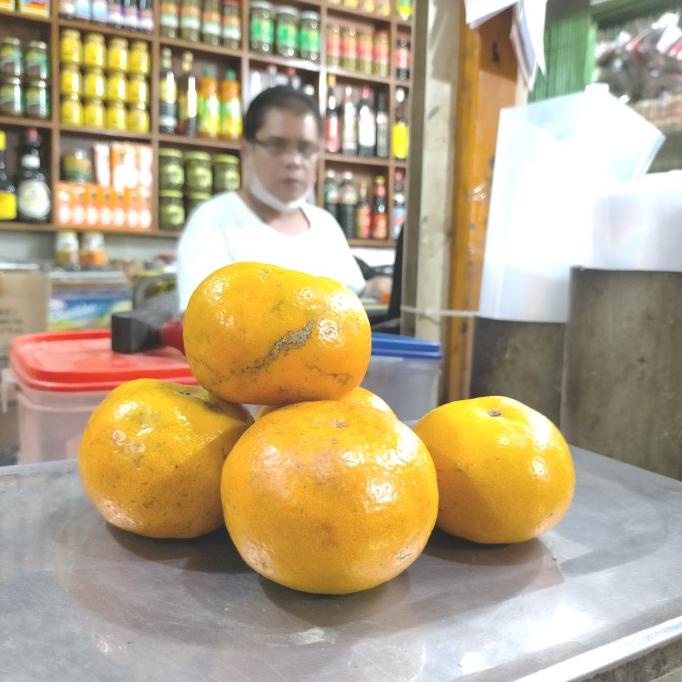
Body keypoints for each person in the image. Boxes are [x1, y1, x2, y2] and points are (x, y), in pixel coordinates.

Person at [176, 86, 389, 311]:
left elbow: (354, 295)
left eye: (306, 149)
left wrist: (375, 287)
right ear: (247, 150)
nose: (294, 161)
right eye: (277, 146)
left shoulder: (325, 225)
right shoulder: (212, 222)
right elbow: (200, 323)